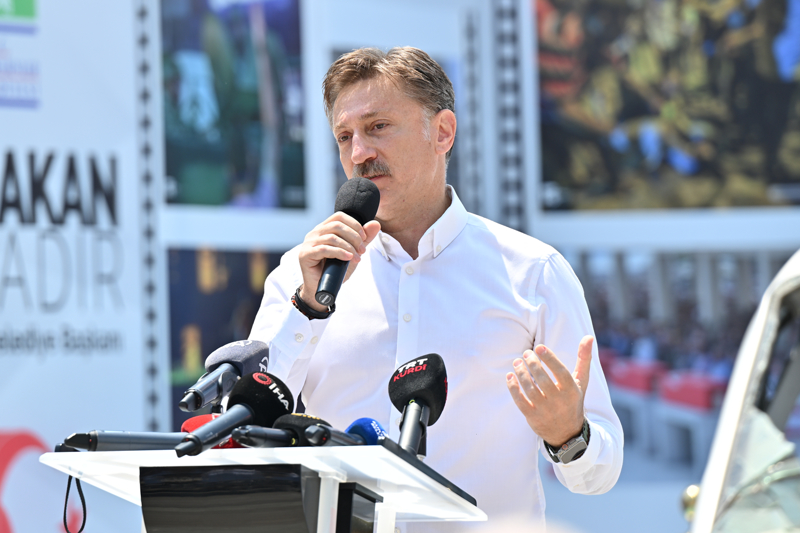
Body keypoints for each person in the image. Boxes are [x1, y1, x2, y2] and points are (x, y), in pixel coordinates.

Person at [249, 47, 623, 532]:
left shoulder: (534, 273)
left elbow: (599, 475)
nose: (359, 153)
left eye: (378, 127)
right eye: (345, 136)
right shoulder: (300, 276)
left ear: (442, 132)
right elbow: (246, 422)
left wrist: (569, 435)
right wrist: (307, 308)